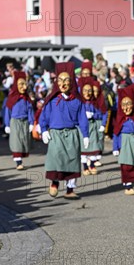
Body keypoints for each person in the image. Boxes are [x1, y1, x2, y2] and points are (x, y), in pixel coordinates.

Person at [40, 62, 89, 200]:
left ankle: (70, 189)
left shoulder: (77, 101)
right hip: (55, 134)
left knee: (72, 161)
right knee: (56, 158)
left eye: (66, 80)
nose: (63, 83)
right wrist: (44, 130)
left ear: (72, 82)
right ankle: (54, 182)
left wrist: (85, 135)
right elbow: (44, 115)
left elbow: (82, 118)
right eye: (60, 80)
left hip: (72, 134)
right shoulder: (52, 100)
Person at [3, 71, 34, 170]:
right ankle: (18, 162)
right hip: (15, 121)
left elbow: (30, 110)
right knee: (16, 141)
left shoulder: (26, 98)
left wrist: (31, 122)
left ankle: (20, 159)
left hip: (24, 121)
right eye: (21, 84)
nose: (24, 87)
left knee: (24, 140)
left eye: (25, 84)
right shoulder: (12, 97)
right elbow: (7, 110)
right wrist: (7, 124)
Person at [78, 77, 105, 175]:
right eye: (85, 91)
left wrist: (94, 115)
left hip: (93, 126)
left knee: (94, 145)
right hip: (82, 127)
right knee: (84, 147)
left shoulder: (95, 102)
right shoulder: (79, 102)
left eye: (89, 91)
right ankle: (85, 167)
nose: (87, 93)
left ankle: (92, 164)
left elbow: (101, 113)